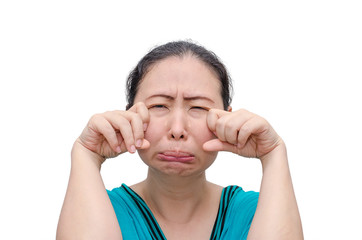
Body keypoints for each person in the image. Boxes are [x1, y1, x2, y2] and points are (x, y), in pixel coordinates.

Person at [56, 40, 303, 239]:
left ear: (227, 119)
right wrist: (86, 154)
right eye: (159, 105)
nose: (177, 129)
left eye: (197, 108)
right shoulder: (99, 207)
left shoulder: (258, 212)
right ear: (129, 115)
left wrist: (273, 153)